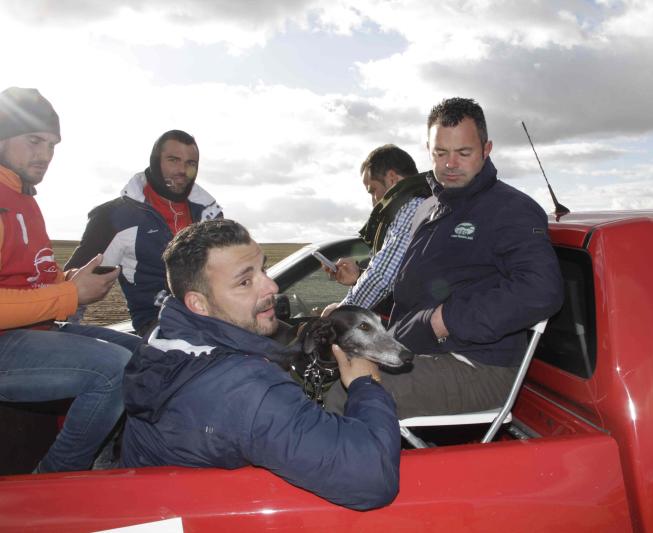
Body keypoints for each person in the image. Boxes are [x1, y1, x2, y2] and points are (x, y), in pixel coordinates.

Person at [121, 219, 400, 510]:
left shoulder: (163, 338)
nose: (272, 286)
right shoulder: (245, 388)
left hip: (154, 504)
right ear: (199, 304)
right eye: (245, 281)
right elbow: (373, 478)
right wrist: (366, 385)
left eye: (263, 269)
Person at [326, 97, 563, 418]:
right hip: (413, 349)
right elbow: (412, 284)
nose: (450, 164)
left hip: (478, 365)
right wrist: (355, 304)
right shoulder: (428, 209)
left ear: (486, 149)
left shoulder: (510, 210)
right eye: (440, 153)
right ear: (429, 150)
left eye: (463, 153)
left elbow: (540, 290)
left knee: (343, 394)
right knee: (322, 368)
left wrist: (445, 320)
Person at [0, 87, 140, 473]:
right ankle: (54, 480)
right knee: (113, 369)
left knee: (145, 353)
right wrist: (68, 295)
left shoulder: (24, 197)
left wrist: (68, 280)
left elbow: (23, 280)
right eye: (33, 141)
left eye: (52, 145)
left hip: (31, 329)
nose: (44, 155)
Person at [65, 130, 223, 336]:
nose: (182, 170)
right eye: (173, 160)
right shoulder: (114, 218)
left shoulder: (210, 214)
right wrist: (57, 342)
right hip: (161, 324)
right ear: (155, 161)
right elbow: (75, 286)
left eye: (191, 163)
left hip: (218, 316)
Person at [321, 145, 430, 318]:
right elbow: (400, 277)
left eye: (373, 190)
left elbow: (381, 278)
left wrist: (341, 313)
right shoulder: (421, 205)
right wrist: (359, 276)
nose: (373, 201)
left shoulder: (412, 207)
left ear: (392, 178)